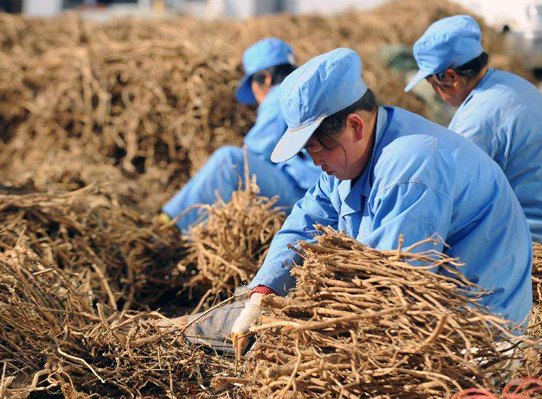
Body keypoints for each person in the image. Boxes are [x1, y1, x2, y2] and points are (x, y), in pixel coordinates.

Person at [179, 48, 532, 358]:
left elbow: (388, 289)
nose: (313, 161)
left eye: (316, 147)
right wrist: (263, 292)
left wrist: (299, 318)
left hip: (474, 338)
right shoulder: (353, 155)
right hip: (418, 317)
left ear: (354, 125)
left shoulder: (411, 166)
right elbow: (306, 218)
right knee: (237, 321)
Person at [405, 15, 542, 243]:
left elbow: (453, 201)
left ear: (451, 77)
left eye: (432, 84)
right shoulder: (513, 84)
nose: (436, 94)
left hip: (528, 238)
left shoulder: (476, 124)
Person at [161, 38, 321, 232]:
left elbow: (255, 152)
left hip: (301, 195)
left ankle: (170, 223)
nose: (254, 95)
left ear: (266, 78)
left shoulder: (280, 95)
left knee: (229, 160)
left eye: (253, 83)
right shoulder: (304, 93)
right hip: (316, 192)